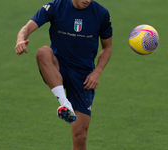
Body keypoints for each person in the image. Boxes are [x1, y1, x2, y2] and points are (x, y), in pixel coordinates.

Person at [15, 0, 112, 149]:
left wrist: (97, 72)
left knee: (80, 135)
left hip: (83, 75)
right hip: (58, 66)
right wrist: (20, 40)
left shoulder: (101, 13)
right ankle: (64, 104)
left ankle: (68, 107)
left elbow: (107, 47)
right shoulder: (55, 6)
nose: (87, 0)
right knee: (43, 52)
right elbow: (27, 27)